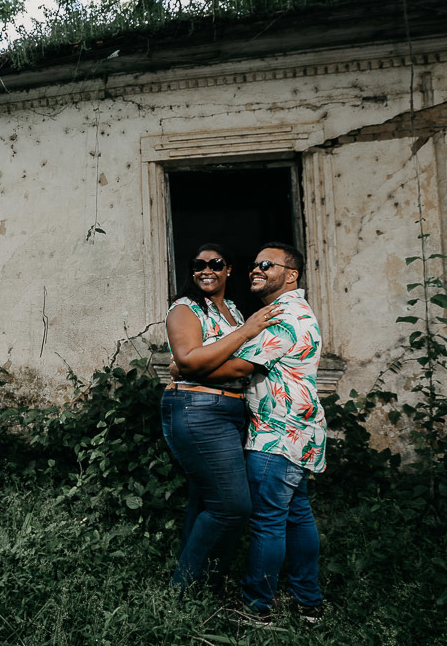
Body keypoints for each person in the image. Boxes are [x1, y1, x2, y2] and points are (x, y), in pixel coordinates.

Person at [195, 242, 326, 622]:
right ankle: (309, 602)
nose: (256, 269)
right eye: (254, 264)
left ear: (291, 274)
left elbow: (238, 368)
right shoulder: (296, 310)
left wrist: (187, 368)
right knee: (296, 515)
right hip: (299, 431)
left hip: (276, 432)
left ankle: (257, 607)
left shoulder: (282, 316)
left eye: (266, 265)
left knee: (268, 520)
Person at [161, 243, 284, 596]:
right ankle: (180, 591)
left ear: (229, 268)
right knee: (232, 506)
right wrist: (244, 335)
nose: (206, 270)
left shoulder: (231, 309)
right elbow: (191, 362)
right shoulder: (184, 309)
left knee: (206, 500)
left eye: (215, 263)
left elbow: (202, 362)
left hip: (231, 410)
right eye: (198, 264)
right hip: (197, 409)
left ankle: (209, 584)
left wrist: (196, 364)